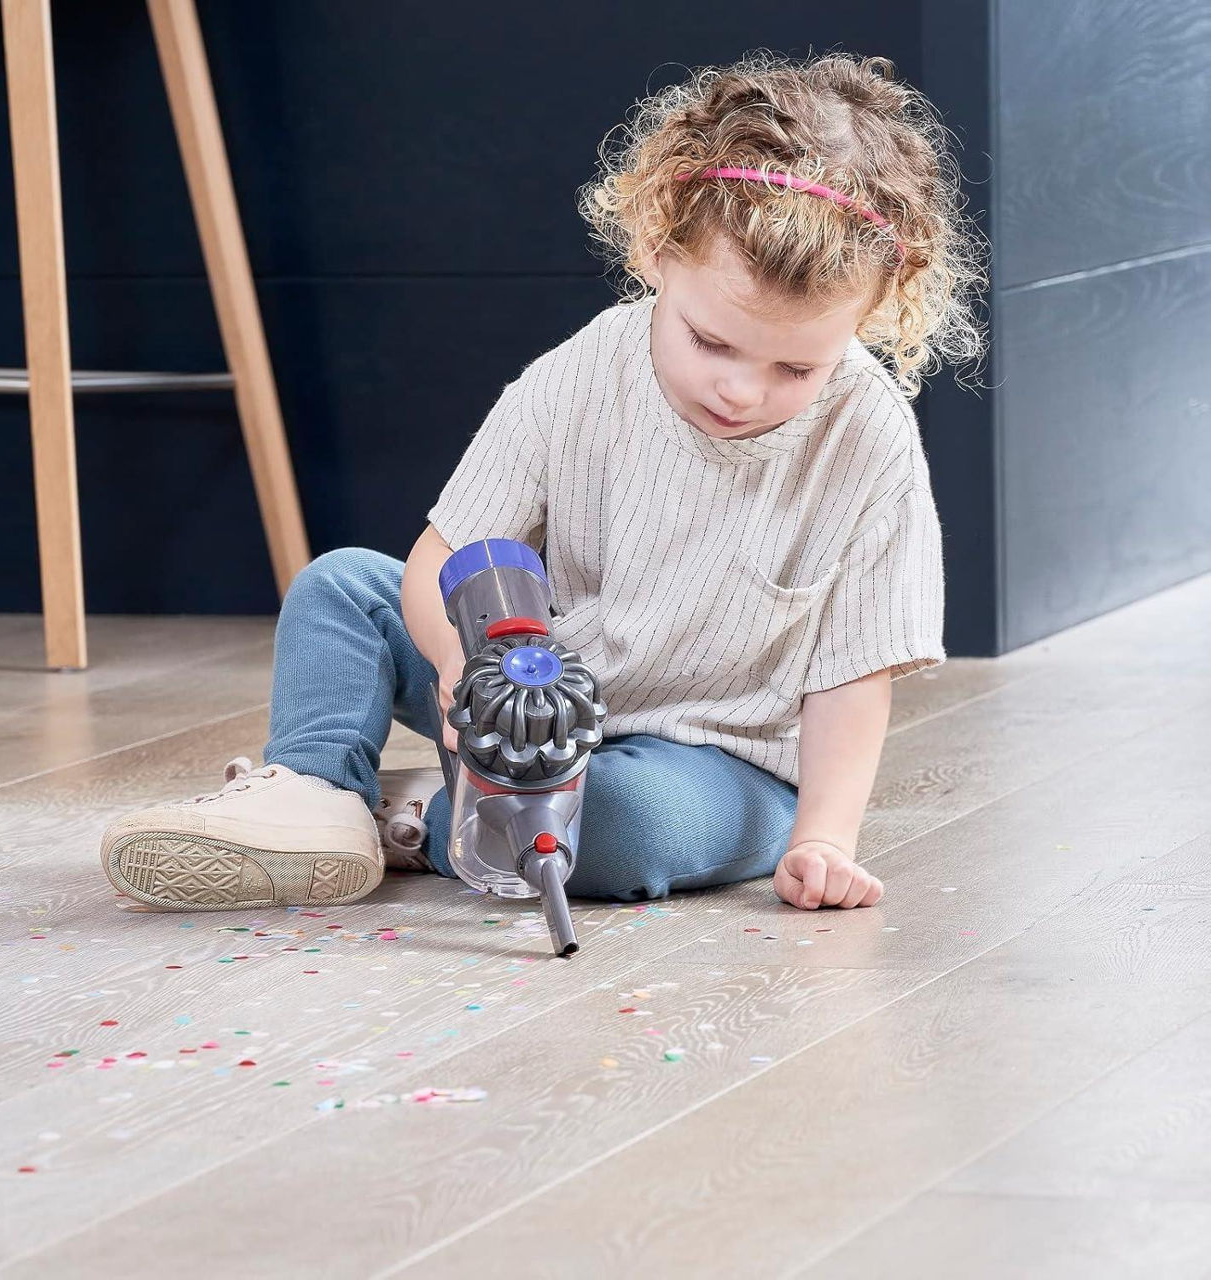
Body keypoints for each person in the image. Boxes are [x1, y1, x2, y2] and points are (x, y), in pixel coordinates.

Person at [100, 50, 987, 913]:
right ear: (656, 249)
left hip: (716, 763)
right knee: (342, 589)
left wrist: (824, 840)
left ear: (874, 310)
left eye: (796, 368)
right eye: (711, 342)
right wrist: (461, 665)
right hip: (535, 700)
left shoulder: (868, 436)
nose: (741, 391)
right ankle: (317, 793)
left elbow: (851, 675)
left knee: (624, 828)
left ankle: (428, 814)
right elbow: (444, 556)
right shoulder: (585, 369)